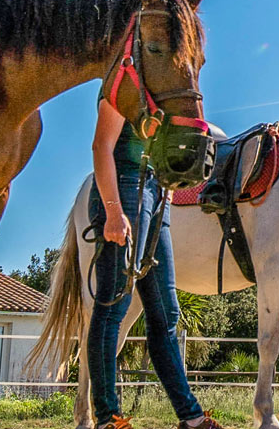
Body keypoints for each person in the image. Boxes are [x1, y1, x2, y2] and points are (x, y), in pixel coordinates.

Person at [88, 78, 224, 428]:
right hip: (124, 186)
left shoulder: (169, 90)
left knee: (165, 312)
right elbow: (102, 147)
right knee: (113, 305)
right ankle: (107, 418)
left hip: (156, 191)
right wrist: (114, 213)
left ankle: (190, 417)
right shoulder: (122, 84)